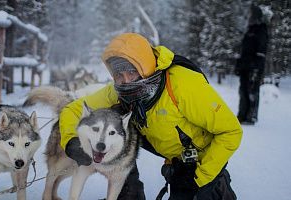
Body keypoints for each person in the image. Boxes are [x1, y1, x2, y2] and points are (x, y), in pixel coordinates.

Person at [60, 32, 243, 200]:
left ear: (145, 66)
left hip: (202, 161)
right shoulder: (118, 91)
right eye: (118, 74)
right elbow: (74, 110)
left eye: (132, 71)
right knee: (114, 121)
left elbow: (231, 131)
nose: (125, 80)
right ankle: (129, 194)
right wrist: (71, 141)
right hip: (175, 161)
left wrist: (202, 178)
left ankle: (218, 186)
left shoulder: (182, 85)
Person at [235, 4, 269, 125]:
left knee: (252, 91)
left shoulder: (261, 29)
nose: (248, 16)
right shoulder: (248, 31)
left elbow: (261, 50)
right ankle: (242, 115)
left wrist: (256, 66)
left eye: (250, 14)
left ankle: (251, 116)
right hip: (244, 66)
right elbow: (243, 51)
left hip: (254, 67)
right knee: (243, 90)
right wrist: (238, 65)